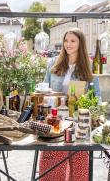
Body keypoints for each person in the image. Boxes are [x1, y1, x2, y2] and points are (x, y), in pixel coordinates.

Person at [40, 27, 102, 181]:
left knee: (79, 161)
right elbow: (44, 88)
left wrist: (94, 111)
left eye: (73, 41)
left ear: (81, 44)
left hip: (78, 122)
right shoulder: (54, 63)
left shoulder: (88, 66)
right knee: (54, 160)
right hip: (55, 122)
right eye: (66, 41)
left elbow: (98, 97)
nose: (68, 44)